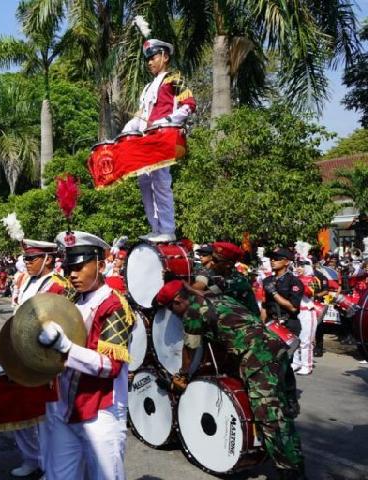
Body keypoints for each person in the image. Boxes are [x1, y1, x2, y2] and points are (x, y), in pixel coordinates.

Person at [154, 280, 305, 479]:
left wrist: (182, 375)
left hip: (258, 358)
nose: (175, 315)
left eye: (173, 310)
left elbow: (190, 347)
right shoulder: (216, 297)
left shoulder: (193, 311)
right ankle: (292, 459)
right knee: (285, 409)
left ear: (179, 300)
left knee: (270, 419)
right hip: (276, 348)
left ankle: (290, 472)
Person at [40, 231, 132, 480]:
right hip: (64, 408)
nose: (72, 273)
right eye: (70, 266)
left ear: (101, 265)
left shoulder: (114, 305)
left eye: (80, 266)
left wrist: (66, 348)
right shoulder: (69, 299)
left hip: (101, 412)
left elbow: (110, 367)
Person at [121, 38, 196, 243]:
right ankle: (155, 228)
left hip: (163, 137)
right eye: (148, 59)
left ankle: (168, 229)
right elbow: (141, 114)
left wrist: (167, 121)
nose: (149, 62)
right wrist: (127, 130)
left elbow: (189, 104)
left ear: (165, 56)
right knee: (145, 182)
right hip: (146, 140)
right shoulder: (146, 88)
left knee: (161, 182)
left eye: (153, 57)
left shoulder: (174, 78)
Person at [11, 239, 71, 478]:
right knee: (21, 411)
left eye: (32, 259)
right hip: (22, 352)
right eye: (25, 259)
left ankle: (50, 466)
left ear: (48, 259)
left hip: (45, 357)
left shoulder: (57, 285)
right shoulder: (26, 280)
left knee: (47, 418)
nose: (27, 263)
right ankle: (31, 458)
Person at [261, 247, 302, 415]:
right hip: (271, 325)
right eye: (271, 258)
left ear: (287, 261)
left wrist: (275, 293)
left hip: (288, 324)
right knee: (270, 364)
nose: (273, 261)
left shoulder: (294, 282)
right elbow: (265, 305)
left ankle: (291, 401)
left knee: (284, 363)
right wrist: (259, 324)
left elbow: (293, 307)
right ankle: (274, 398)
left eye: (277, 258)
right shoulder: (267, 280)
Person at [201, 242, 260, 315]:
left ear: (228, 265)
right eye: (212, 259)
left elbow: (205, 294)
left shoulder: (234, 282)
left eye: (216, 260)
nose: (212, 262)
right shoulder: (221, 277)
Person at [293, 261, 319, 375]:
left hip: (307, 312)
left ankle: (307, 365)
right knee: (294, 339)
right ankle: (296, 362)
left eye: (302, 266)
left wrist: (297, 282)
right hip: (295, 312)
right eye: (297, 266)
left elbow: (310, 293)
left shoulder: (313, 279)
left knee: (305, 341)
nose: (298, 268)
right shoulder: (293, 278)